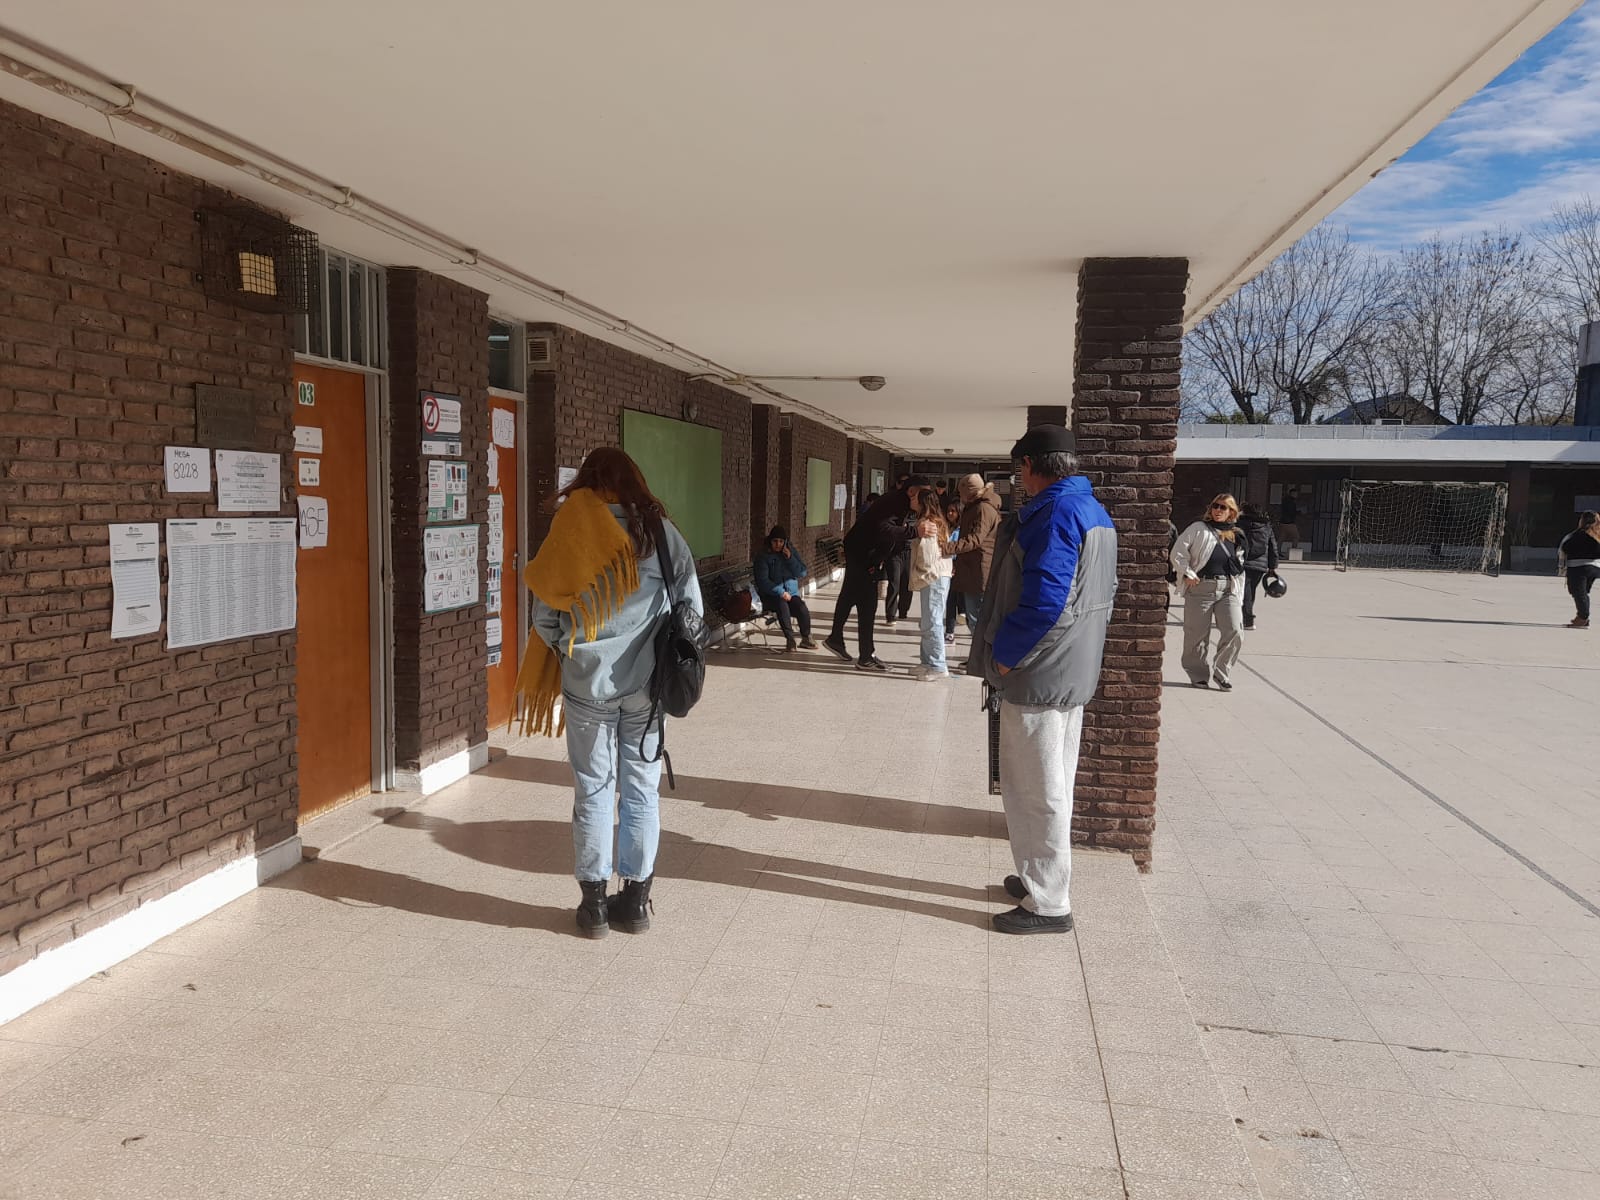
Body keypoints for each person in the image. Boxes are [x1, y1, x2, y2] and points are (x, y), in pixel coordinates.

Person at [517, 447, 702, 938]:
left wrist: (573, 653)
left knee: (594, 789)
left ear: (587, 481)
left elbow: (544, 613)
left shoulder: (570, 528)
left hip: (587, 684)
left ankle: (594, 905)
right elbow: (691, 607)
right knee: (640, 789)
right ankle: (636, 902)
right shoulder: (659, 531)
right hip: (647, 687)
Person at [968, 426, 1117, 934]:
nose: (1019, 479)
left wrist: (1005, 658)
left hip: (1038, 670)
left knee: (1035, 788)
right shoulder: (1091, 509)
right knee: (1052, 780)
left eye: (1019, 469)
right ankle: (1040, 877)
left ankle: (1050, 902)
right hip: (1068, 666)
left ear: (1030, 466)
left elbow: (1046, 602)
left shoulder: (1054, 514)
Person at [825, 476, 930, 671]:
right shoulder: (894, 503)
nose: (926, 499)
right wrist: (914, 532)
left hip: (864, 552)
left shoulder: (902, 503)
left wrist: (879, 559)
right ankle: (865, 656)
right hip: (861, 552)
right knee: (868, 602)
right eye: (924, 495)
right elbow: (884, 530)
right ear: (911, 492)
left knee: (850, 595)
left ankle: (837, 639)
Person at [1171, 493, 1247, 690]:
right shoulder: (1198, 528)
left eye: (1223, 507)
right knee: (1196, 635)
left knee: (1235, 631)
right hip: (1201, 587)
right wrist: (1187, 573)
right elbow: (1178, 552)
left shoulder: (1236, 534)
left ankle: (1222, 673)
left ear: (1231, 512)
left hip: (1227, 588)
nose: (1218, 510)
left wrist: (1239, 591)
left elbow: (1240, 564)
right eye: (1215, 506)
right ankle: (1198, 674)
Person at [946, 473, 1002, 636]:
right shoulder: (979, 506)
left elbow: (976, 538)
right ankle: (980, 651)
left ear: (969, 492)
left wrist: (948, 547)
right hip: (974, 568)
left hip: (979, 570)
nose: (960, 497)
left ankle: (983, 652)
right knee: (976, 618)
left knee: (976, 619)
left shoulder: (982, 508)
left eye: (961, 493)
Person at [910, 489, 954, 680]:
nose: (911, 500)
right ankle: (926, 662)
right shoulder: (937, 520)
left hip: (933, 576)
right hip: (938, 575)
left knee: (932, 620)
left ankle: (938, 665)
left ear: (922, 502)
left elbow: (927, 557)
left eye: (914, 497)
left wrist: (917, 573)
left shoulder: (928, 524)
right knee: (928, 620)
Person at [753, 524, 817, 651]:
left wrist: (790, 559)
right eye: (775, 541)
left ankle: (806, 637)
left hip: (791, 594)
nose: (778, 544)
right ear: (770, 541)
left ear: (785, 542)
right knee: (782, 605)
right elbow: (763, 581)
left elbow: (802, 572)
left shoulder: (790, 551)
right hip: (771, 595)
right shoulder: (763, 556)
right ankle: (790, 639)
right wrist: (781, 592)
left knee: (801, 607)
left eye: (781, 541)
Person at [1237, 503, 1280, 631]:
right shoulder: (1266, 527)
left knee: (1244, 591)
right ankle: (1244, 617)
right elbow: (1273, 547)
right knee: (1250, 591)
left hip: (1242, 562)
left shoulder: (1240, 524)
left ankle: (1247, 619)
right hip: (1259, 565)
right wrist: (1272, 567)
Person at [1557, 510, 1600, 629]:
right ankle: (1581, 616)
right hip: (1594, 568)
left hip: (1578, 567)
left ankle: (1583, 618)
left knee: (1578, 592)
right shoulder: (1597, 535)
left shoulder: (1577, 534)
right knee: (1583, 593)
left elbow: (1566, 547)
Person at [942, 498, 963, 643]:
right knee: (950, 600)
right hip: (946, 565)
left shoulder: (963, 530)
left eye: (953, 511)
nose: (950, 513)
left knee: (959, 598)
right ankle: (949, 631)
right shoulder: (945, 528)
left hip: (958, 566)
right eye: (948, 511)